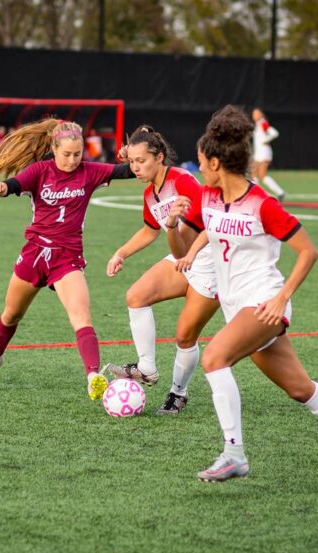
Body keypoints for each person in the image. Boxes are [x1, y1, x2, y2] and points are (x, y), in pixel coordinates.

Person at [168, 105, 318, 483]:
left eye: (202, 162)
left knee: (214, 358)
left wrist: (281, 297)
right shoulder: (207, 196)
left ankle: (234, 454)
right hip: (236, 307)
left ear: (218, 163)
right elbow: (186, 246)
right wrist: (176, 227)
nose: (197, 168)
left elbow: (308, 251)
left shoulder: (263, 204)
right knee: (299, 389)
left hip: (264, 301)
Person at [0, 119, 135, 400]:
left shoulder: (90, 172)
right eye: (66, 154)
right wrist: (1, 188)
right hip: (34, 254)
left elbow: (129, 171)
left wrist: (135, 156)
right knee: (11, 315)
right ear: (54, 149)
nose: (72, 159)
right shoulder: (40, 171)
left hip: (67, 257)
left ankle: (93, 375)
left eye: (78, 154)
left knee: (81, 315)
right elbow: (16, 184)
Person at [104, 125, 220, 415]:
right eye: (131, 162)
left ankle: (178, 394)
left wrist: (170, 225)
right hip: (184, 258)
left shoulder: (183, 181)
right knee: (136, 296)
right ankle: (146, 369)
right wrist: (121, 252)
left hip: (211, 265)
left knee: (184, 336)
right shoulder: (150, 193)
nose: (135, 167)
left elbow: (187, 242)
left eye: (140, 161)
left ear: (159, 157)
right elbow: (149, 230)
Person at [251, 108, 286, 201]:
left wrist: (265, 141)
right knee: (253, 172)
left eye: (257, 113)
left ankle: (279, 192)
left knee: (262, 175)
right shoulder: (258, 124)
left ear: (261, 114)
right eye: (253, 114)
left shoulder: (263, 123)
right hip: (258, 154)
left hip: (264, 153)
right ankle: (256, 194)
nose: (254, 115)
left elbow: (274, 133)